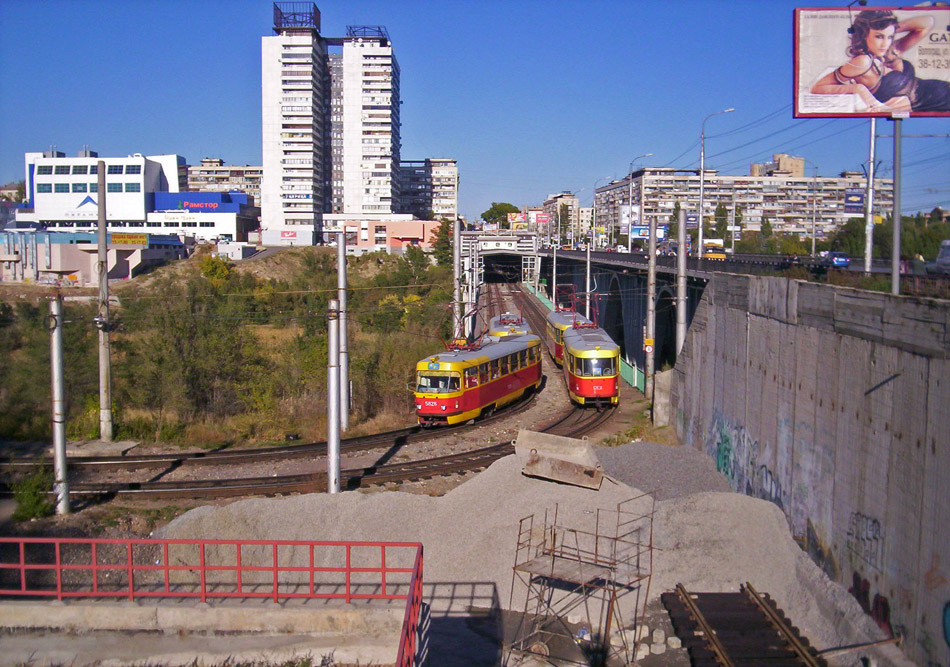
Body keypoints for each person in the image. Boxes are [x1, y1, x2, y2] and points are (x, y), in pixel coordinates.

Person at [810, 10, 950, 113]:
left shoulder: (889, 50)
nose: (885, 43)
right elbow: (817, 88)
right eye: (879, 36)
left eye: (889, 37)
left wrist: (890, 27)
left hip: (941, 91)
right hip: (933, 105)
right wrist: (858, 88)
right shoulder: (862, 62)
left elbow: (927, 22)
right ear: (864, 35)